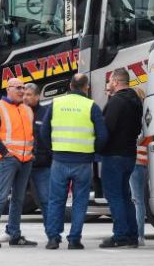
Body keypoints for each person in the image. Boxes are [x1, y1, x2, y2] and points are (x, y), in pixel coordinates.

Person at [43, 73, 108, 250]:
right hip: (83, 162)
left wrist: (53, 151)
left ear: (70, 86)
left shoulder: (56, 104)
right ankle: (74, 239)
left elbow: (43, 132)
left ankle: (53, 239)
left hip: (59, 160)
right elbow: (103, 135)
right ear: (86, 87)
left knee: (56, 200)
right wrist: (94, 152)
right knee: (80, 201)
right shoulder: (91, 106)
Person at [0, 77, 38, 247]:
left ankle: (15, 234)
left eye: (23, 88)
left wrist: (32, 152)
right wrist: (5, 153)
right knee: (1, 197)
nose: (22, 91)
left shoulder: (27, 109)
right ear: (8, 89)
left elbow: (31, 134)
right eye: (18, 88)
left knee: (18, 199)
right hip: (9, 160)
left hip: (25, 159)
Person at [99, 68, 144, 248]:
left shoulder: (117, 101)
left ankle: (120, 235)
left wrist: (98, 147)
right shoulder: (135, 100)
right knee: (126, 196)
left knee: (114, 196)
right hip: (129, 154)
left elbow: (107, 128)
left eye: (110, 80)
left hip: (114, 154)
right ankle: (132, 235)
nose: (108, 84)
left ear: (116, 82)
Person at [25, 82, 53, 229]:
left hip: (41, 165)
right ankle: (12, 232)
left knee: (45, 200)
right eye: (23, 94)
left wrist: (48, 157)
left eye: (29, 94)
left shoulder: (46, 112)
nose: (25, 97)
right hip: (20, 163)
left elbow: (49, 138)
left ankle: (52, 233)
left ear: (37, 96)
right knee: (15, 200)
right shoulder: (19, 113)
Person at [130, 86, 149, 246]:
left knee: (136, 199)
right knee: (138, 199)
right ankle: (139, 234)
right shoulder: (147, 116)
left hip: (135, 159)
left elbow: (139, 138)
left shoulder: (138, 116)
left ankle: (138, 235)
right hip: (142, 160)